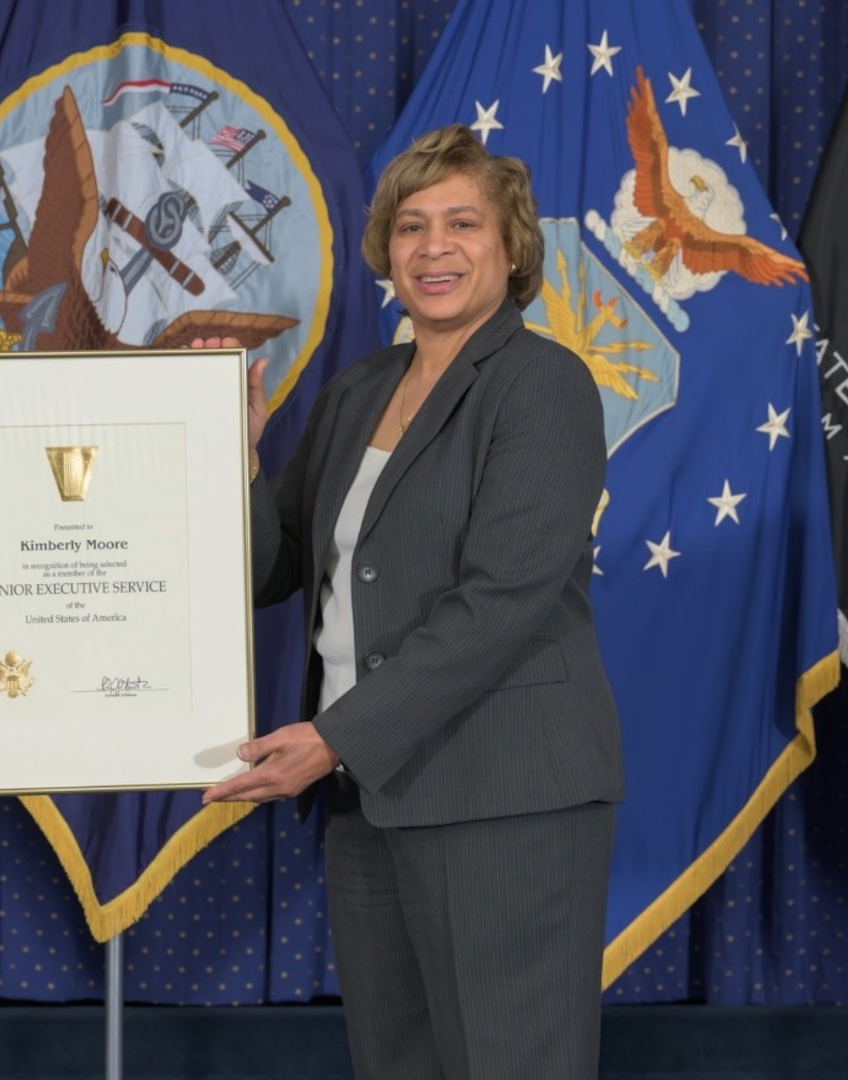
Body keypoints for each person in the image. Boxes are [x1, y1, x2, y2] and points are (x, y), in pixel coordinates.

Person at [204, 124, 623, 1078]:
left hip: (503, 798)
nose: (433, 248)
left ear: (511, 247)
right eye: (410, 226)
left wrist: (334, 736)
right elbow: (278, 570)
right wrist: (237, 456)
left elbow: (502, 602)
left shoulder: (544, 384)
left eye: (462, 224)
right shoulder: (360, 390)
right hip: (373, 796)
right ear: (384, 251)